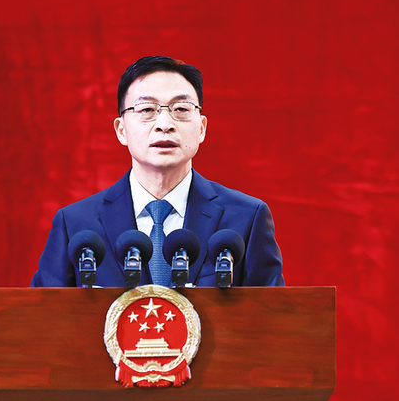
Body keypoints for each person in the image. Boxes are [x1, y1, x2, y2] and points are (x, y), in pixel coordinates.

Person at [31, 55, 284, 288]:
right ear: (121, 130)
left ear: (202, 128)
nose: (165, 125)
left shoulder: (246, 218)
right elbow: (42, 315)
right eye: (147, 110)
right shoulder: (75, 224)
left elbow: (272, 316)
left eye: (181, 109)